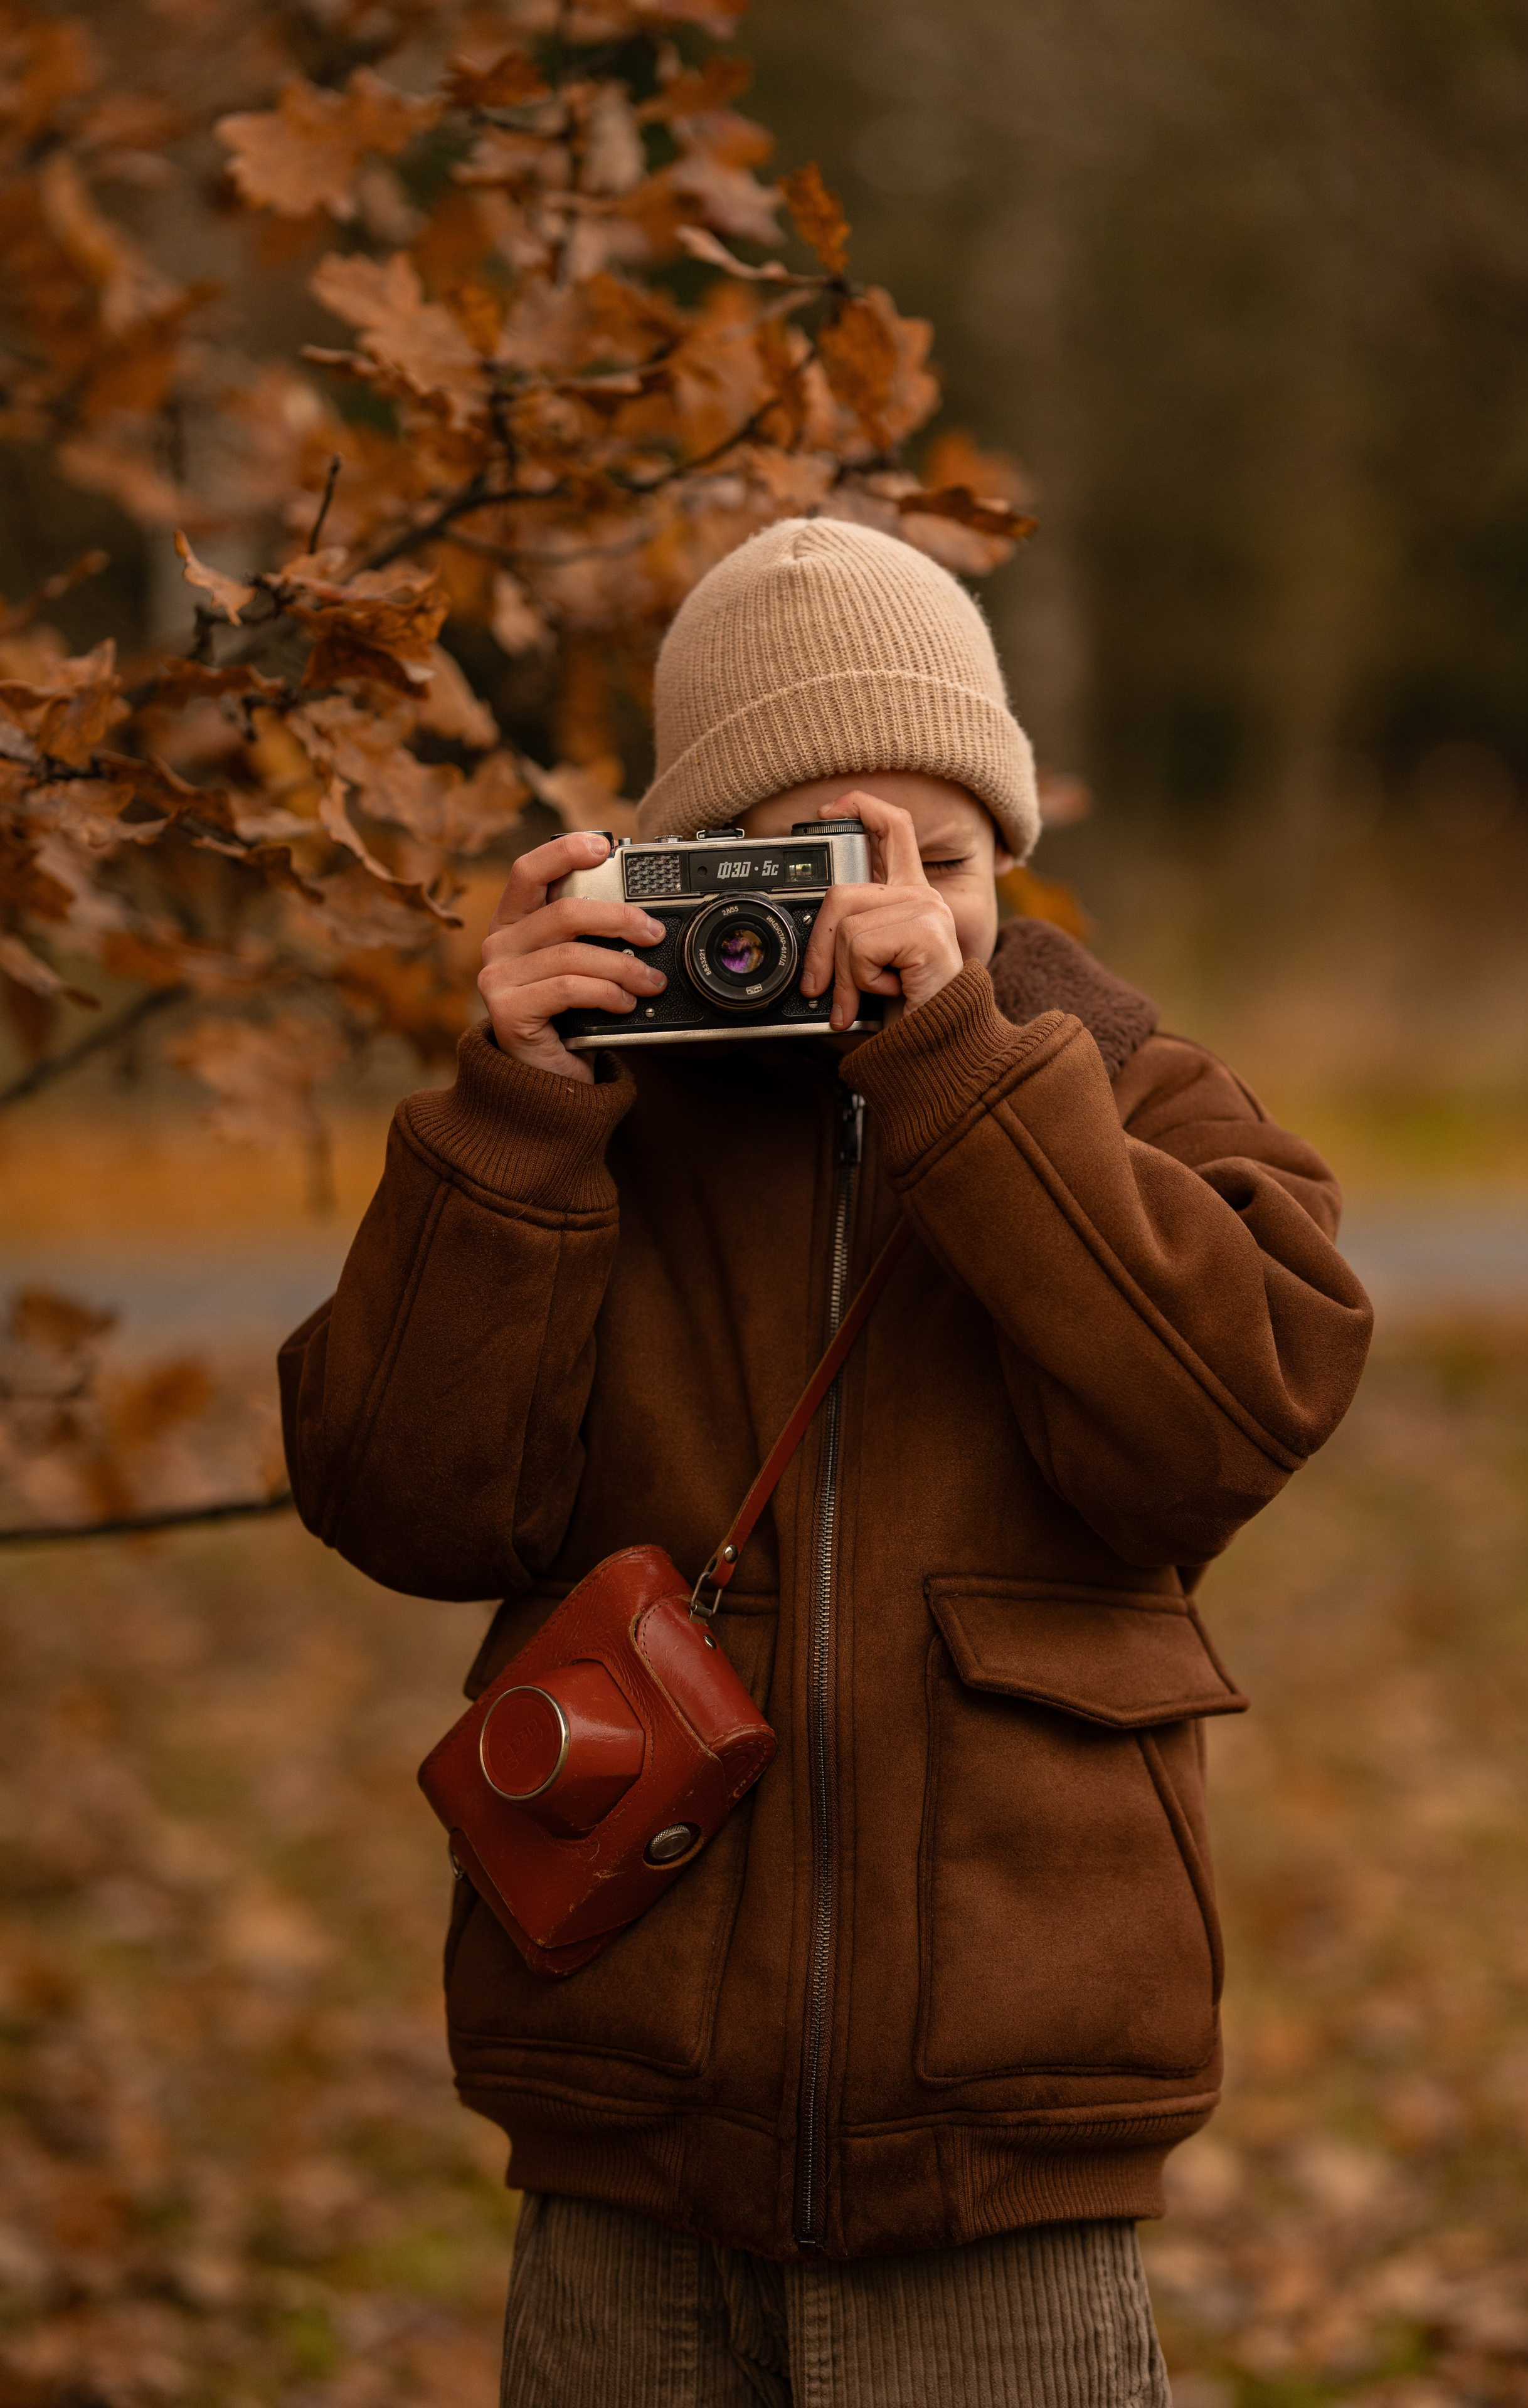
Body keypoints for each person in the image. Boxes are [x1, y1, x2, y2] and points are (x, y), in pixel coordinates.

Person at [279, 518, 1373, 2407]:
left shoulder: (1124, 1093)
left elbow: (1220, 1427)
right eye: (815, 862)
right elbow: (403, 1502)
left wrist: (960, 1065)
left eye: (934, 861)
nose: (889, 915)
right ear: (692, 865)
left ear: (1011, 862)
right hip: (630, 2104)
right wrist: (515, 1116)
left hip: (1007, 2142)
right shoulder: (601, 1115)